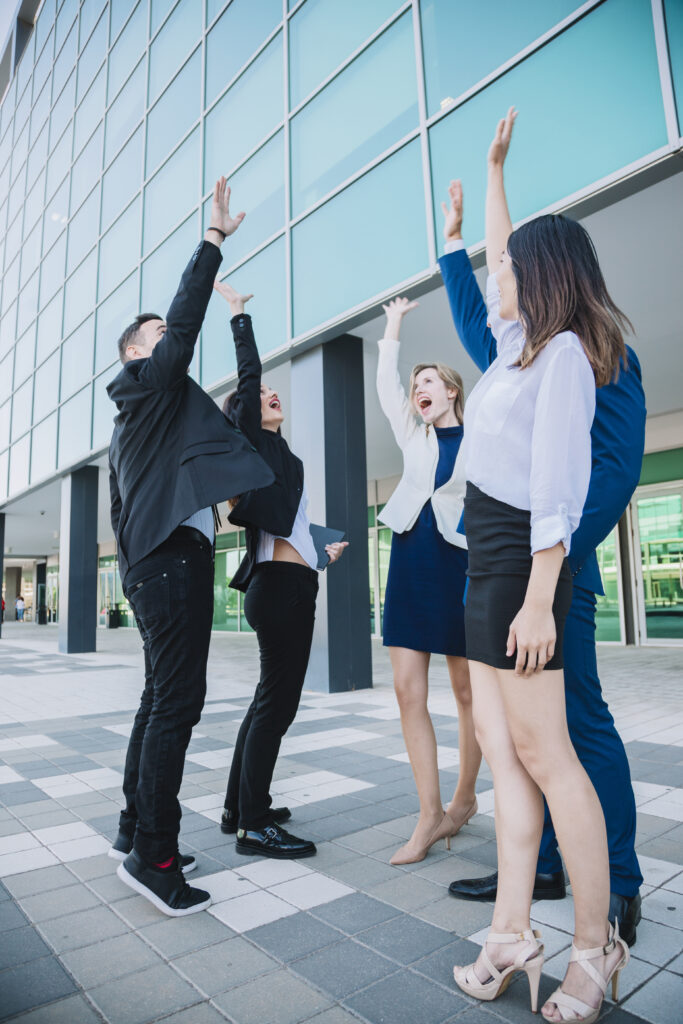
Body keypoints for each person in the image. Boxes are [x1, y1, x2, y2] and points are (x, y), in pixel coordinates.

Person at [449, 110, 630, 1023]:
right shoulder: (512, 353)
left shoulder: (561, 358)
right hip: (478, 569)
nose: (502, 274)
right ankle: (512, 935)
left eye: (516, 265)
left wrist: (537, 602)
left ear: (547, 275)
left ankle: (596, 951)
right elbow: (493, 254)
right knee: (507, 765)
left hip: (521, 567)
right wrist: (492, 170)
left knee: (552, 760)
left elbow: (558, 492)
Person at [107, 179, 274, 916]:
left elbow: (241, 403)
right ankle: (155, 856)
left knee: (158, 701)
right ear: (142, 351)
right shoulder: (147, 385)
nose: (173, 343)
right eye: (160, 336)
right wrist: (212, 240)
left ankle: (133, 830)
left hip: (154, 562)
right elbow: (180, 324)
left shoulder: (146, 421)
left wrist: (243, 327)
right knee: (177, 703)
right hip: (168, 560)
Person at [215, 278, 348, 859]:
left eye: (273, 391)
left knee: (268, 700)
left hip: (291, 579)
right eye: (262, 393)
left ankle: (239, 808)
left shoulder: (284, 459)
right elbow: (246, 385)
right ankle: (253, 826)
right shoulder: (254, 446)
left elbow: (286, 527)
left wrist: (322, 548)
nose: (270, 393)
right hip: (280, 590)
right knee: (278, 703)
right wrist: (240, 317)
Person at [376, 298, 480, 865]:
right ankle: (428, 814)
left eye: (431, 381)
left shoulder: (478, 436)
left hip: (461, 562)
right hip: (412, 559)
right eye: (417, 382)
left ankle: (464, 802)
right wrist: (394, 325)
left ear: (453, 392)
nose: (420, 388)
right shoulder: (412, 436)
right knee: (406, 691)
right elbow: (384, 382)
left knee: (468, 693)